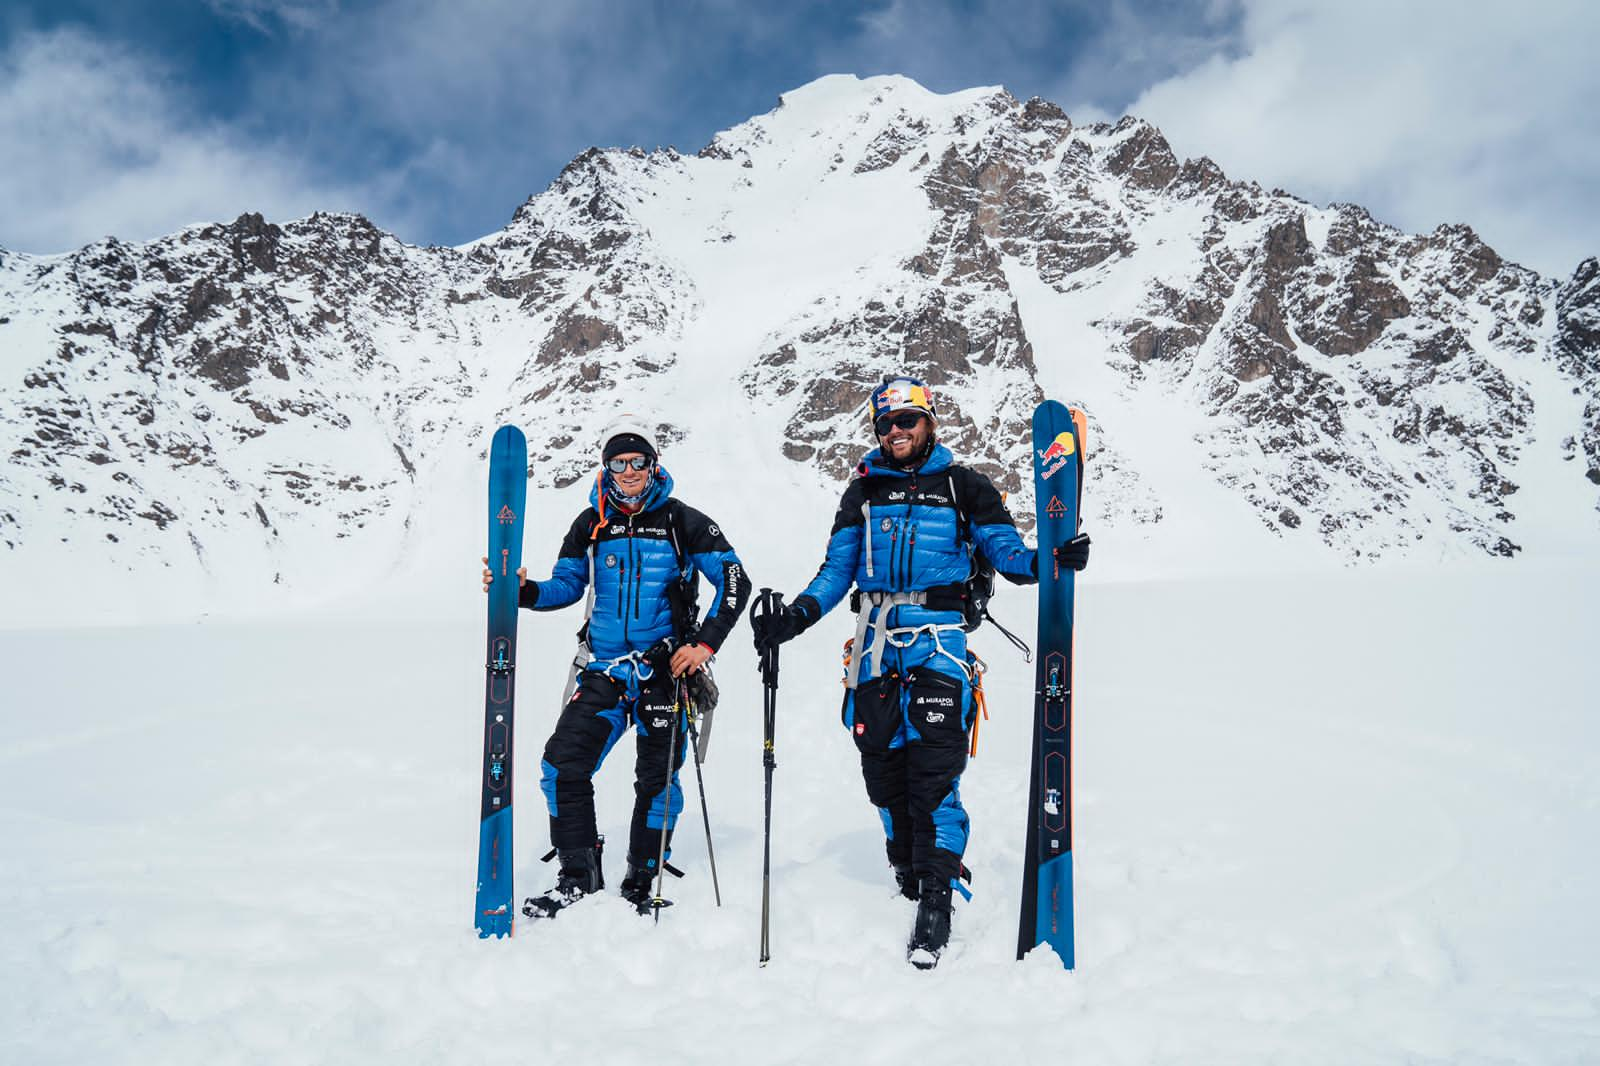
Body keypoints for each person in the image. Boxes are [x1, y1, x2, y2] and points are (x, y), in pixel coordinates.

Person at [750, 377, 1090, 968]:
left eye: (907, 421)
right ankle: (907, 865)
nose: (896, 432)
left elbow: (1006, 551)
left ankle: (937, 897)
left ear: (928, 423)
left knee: (933, 775)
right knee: (883, 775)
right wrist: (796, 617)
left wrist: (1046, 561)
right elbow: (837, 571)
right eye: (886, 425)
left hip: (939, 644)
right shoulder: (862, 492)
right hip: (875, 649)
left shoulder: (965, 486)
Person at [481, 416, 750, 919]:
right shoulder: (590, 524)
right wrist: (524, 592)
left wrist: (704, 646)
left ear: (653, 465)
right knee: (560, 767)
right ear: (607, 467)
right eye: (619, 462)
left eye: (637, 462)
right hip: (604, 671)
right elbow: (566, 586)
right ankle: (578, 875)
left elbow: (735, 581)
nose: (628, 471)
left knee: (656, 780)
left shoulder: (681, 521)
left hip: (665, 674)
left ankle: (643, 875)